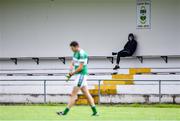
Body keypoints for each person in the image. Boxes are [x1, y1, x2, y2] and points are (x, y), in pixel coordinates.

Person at [56, 41, 98, 116]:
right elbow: (72, 62)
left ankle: (64, 113)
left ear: (76, 46)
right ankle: (95, 112)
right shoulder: (75, 53)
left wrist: (71, 74)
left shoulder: (82, 54)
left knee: (73, 94)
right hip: (79, 76)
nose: (71, 50)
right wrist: (70, 71)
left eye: (72, 48)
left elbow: (80, 68)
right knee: (87, 94)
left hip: (81, 75)